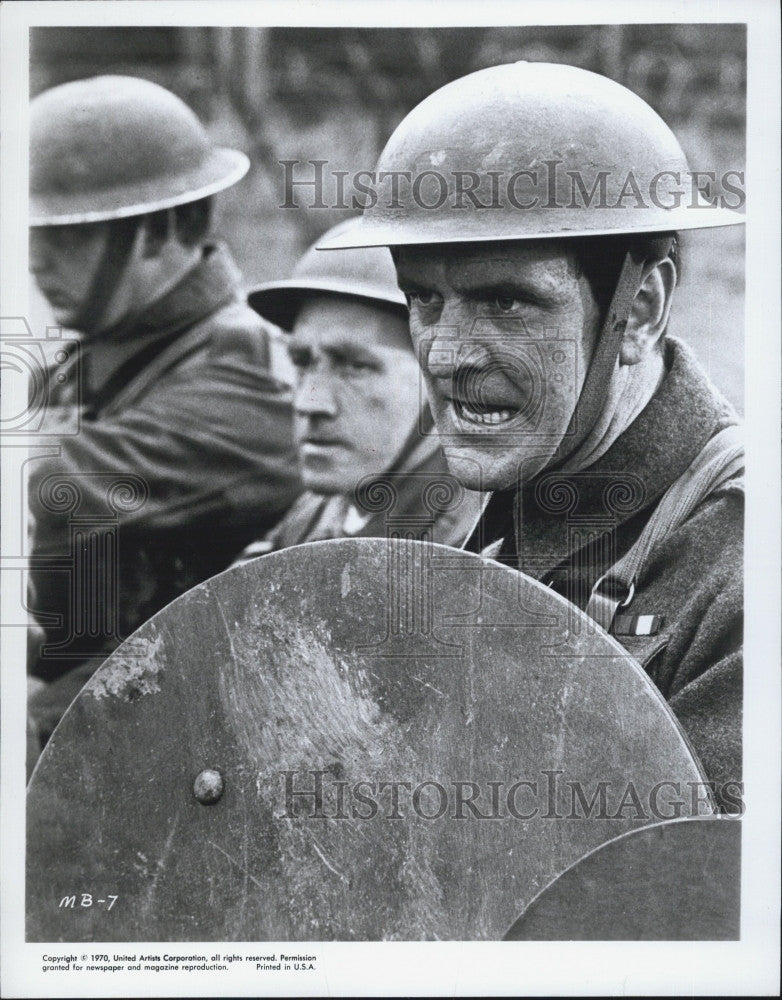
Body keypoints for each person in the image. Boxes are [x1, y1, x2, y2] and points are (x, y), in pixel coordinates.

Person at [323, 62, 745, 810]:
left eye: (507, 303)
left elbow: (698, 904)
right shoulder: (440, 503)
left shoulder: (740, 573)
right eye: (423, 298)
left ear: (640, 310)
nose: (446, 355)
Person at [27, 75, 302, 745]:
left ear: (163, 230)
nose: (34, 260)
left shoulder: (248, 370)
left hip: (192, 742)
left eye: (67, 237)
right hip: (89, 710)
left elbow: (58, 479)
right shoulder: (95, 362)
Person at [236, 220, 483, 558]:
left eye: (354, 366)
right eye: (302, 361)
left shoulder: (472, 542)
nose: (310, 402)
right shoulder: (319, 511)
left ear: (440, 375)